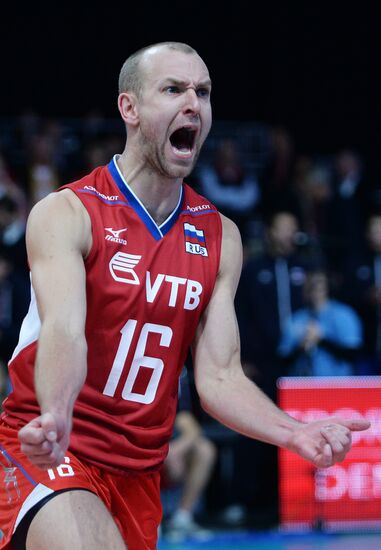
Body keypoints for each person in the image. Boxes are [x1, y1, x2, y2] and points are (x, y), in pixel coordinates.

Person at [0, 42, 369, 550]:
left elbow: (220, 376)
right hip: (53, 450)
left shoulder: (221, 236)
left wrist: (293, 433)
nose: (193, 103)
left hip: (140, 474)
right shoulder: (68, 212)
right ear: (129, 108)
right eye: (173, 89)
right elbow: (65, 328)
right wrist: (56, 414)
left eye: (204, 91)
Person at [278, 269, 363, 376]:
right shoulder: (296, 318)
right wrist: (301, 346)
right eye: (310, 285)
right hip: (302, 386)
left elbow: (352, 355)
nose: (315, 290)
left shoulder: (344, 315)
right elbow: (283, 359)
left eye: (318, 285)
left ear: (327, 287)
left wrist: (321, 339)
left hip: (337, 385)